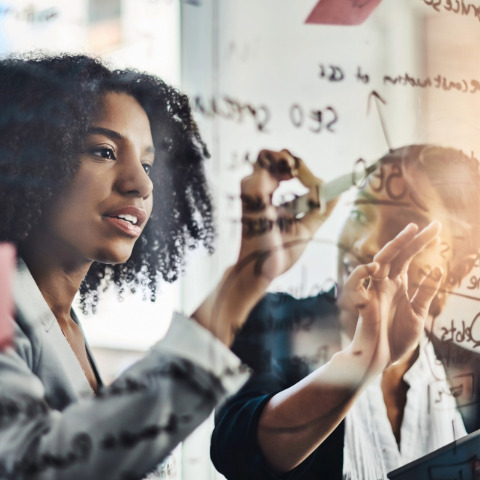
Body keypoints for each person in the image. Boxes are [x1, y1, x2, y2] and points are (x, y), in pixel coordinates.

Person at [0, 53, 348, 480]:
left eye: (147, 164)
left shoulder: (62, 321)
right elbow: (51, 466)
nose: (142, 184)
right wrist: (246, 280)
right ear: (25, 161)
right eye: (104, 151)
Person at [211, 145, 480, 480]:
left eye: (404, 225)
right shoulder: (275, 322)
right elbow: (237, 451)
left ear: (455, 269)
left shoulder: (472, 376)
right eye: (360, 215)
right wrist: (360, 364)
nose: (364, 243)